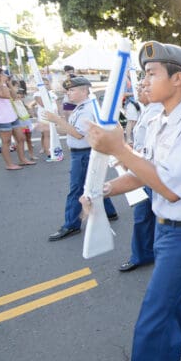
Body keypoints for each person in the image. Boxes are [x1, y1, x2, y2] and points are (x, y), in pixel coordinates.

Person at [83, 41, 181, 361]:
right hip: (167, 230)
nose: (144, 81)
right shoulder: (159, 119)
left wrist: (118, 148)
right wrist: (104, 190)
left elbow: (171, 188)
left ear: (178, 79)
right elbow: (147, 171)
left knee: (153, 324)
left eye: (151, 73)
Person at [42, 76, 118, 241]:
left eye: (72, 90)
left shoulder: (86, 109)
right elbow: (72, 131)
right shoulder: (83, 106)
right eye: (68, 90)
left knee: (76, 189)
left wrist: (57, 120)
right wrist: (56, 125)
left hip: (83, 152)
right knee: (94, 183)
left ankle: (71, 225)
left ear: (84, 91)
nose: (69, 93)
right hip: (84, 151)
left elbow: (77, 134)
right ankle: (110, 212)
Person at [118, 77, 162, 273]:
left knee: (160, 217)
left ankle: (162, 254)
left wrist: (129, 157)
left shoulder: (159, 112)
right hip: (143, 171)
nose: (139, 91)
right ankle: (143, 254)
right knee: (142, 215)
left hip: (152, 173)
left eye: (144, 87)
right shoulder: (147, 110)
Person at [0, 67, 35, 170]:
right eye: (1, 74)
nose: (4, 76)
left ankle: (22, 159)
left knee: (21, 138)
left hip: (12, 116)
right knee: (6, 142)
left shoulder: (4, 85)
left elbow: (14, 97)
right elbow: (6, 96)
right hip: (1, 118)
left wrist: (9, 84)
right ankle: (9, 164)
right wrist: (2, 83)